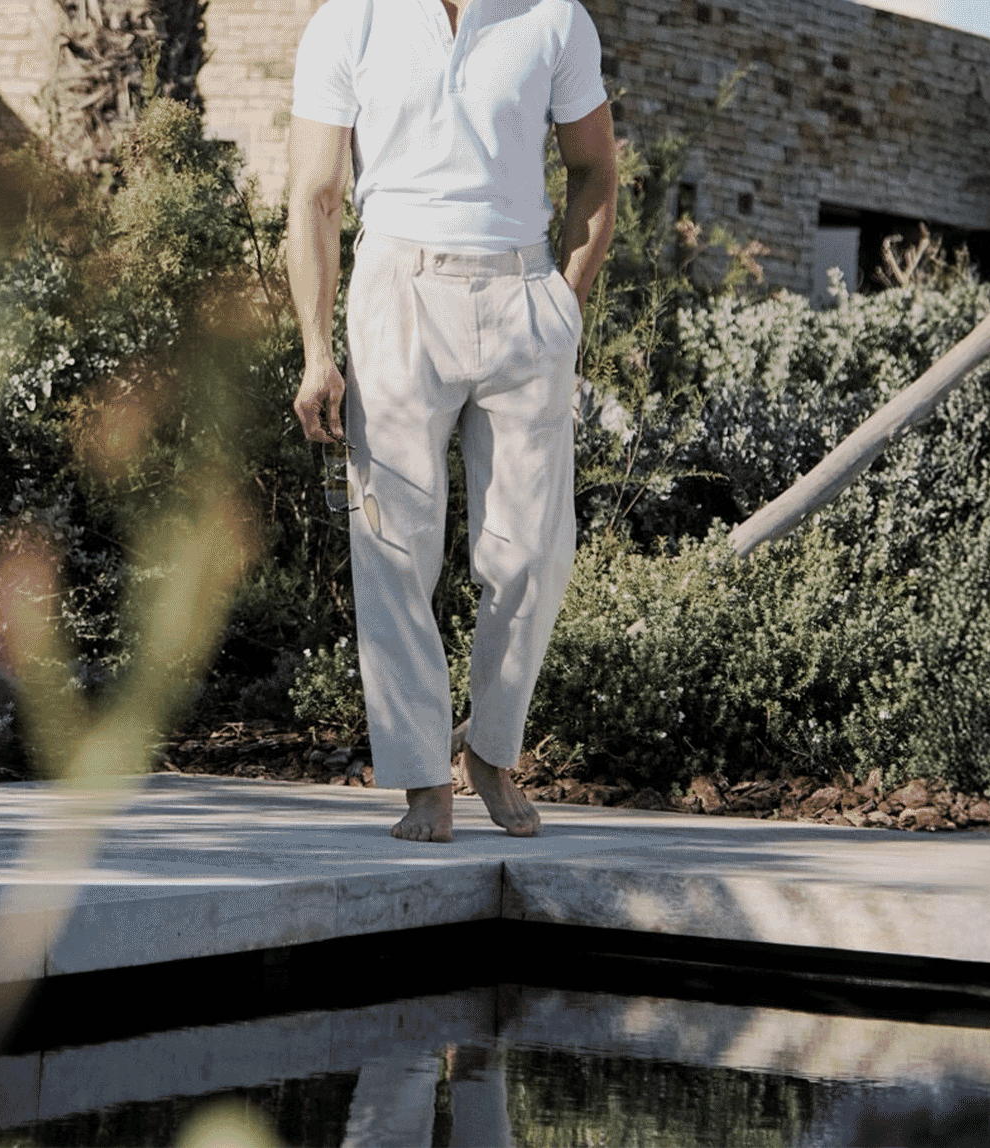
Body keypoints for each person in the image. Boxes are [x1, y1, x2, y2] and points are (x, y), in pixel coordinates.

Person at [284, 0, 617, 842]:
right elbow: (317, 194)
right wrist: (318, 352)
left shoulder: (553, 18)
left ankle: (492, 752)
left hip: (523, 292)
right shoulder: (349, 21)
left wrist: (561, 309)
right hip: (398, 287)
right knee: (394, 543)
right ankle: (422, 777)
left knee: (533, 547)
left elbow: (595, 171)